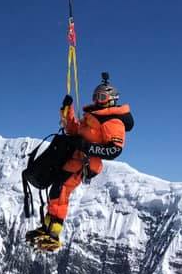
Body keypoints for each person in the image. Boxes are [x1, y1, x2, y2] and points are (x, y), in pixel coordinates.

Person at [26, 72, 134, 251]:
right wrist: (67, 111)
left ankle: (53, 233)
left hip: (85, 162)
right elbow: (73, 130)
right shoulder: (93, 116)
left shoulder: (113, 120)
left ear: (112, 99)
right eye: (96, 96)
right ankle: (47, 228)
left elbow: (114, 149)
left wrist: (86, 147)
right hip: (74, 158)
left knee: (61, 190)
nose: (98, 100)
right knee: (56, 189)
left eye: (102, 97)